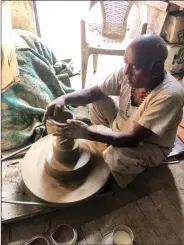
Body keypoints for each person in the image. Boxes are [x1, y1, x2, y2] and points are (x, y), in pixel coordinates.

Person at [43, 34, 184, 189]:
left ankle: (126, 163)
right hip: (123, 125)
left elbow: (133, 139)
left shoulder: (169, 96)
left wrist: (88, 133)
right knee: (97, 100)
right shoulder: (127, 75)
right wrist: (63, 99)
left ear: (156, 68)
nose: (126, 71)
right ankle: (110, 139)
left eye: (135, 67)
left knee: (115, 157)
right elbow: (92, 93)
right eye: (126, 62)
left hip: (148, 144)